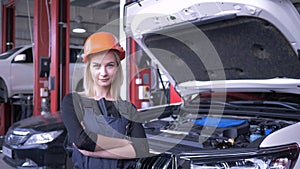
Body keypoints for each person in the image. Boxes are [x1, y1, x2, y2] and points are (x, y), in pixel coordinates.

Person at [61, 32, 149, 169]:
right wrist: (126, 142)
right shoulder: (73, 101)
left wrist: (93, 152)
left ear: (117, 68)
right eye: (97, 66)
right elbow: (83, 141)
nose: (103, 73)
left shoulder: (128, 108)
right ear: (89, 69)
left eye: (110, 65)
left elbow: (142, 149)